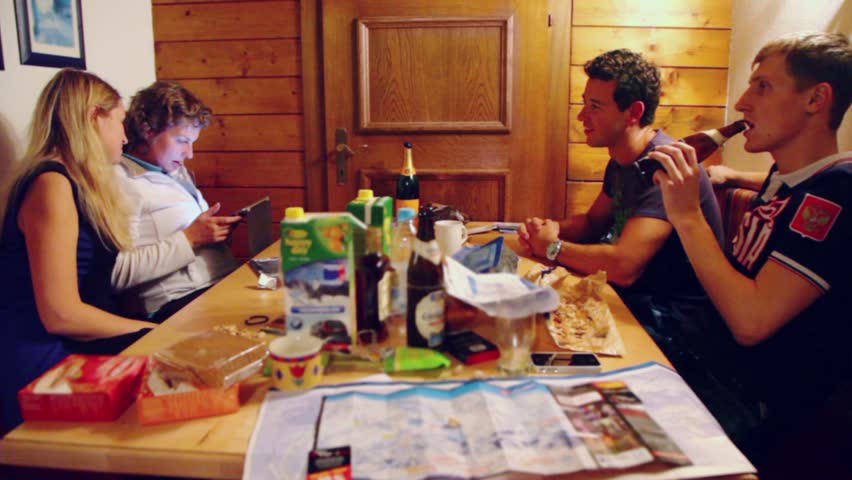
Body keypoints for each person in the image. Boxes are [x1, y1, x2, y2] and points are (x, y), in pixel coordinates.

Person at [651, 32, 852, 469]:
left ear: (816, 98)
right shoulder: (791, 179)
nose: (742, 103)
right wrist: (732, 175)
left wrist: (687, 215)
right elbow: (785, 191)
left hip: (756, 409)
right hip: (713, 370)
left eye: (763, 86)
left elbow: (750, 323)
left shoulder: (839, 193)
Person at [518, 49, 728, 359]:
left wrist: (553, 248)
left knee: (533, 338)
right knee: (526, 315)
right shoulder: (621, 162)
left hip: (674, 326)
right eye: (584, 103)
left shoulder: (666, 166)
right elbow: (592, 224)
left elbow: (624, 267)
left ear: (633, 112)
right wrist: (547, 229)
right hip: (634, 302)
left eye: (595, 106)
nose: (581, 116)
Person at [0, 69, 158, 432]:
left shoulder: (75, 182)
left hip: (70, 339)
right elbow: (61, 314)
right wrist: (149, 331)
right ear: (92, 116)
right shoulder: (50, 185)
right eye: (119, 121)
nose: (125, 135)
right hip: (39, 353)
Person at [112, 81, 242, 322]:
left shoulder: (175, 171)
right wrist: (191, 238)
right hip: (179, 302)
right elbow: (118, 272)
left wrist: (216, 232)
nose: (190, 153)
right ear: (147, 130)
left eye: (193, 142)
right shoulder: (121, 182)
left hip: (220, 283)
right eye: (182, 141)